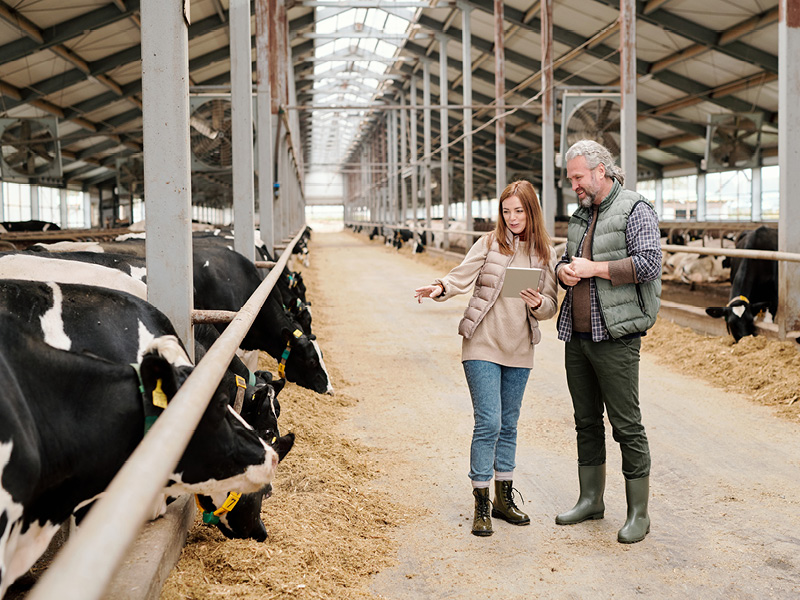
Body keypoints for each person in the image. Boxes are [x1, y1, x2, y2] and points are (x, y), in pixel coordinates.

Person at [414, 180, 558, 537]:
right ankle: (480, 502)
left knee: (509, 425)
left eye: (519, 211)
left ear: (532, 211)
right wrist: (439, 288)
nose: (512, 218)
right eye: (506, 211)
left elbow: (552, 304)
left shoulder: (545, 254)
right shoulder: (490, 243)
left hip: (520, 347)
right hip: (482, 343)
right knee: (489, 422)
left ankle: (503, 499)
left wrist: (539, 304)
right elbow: (460, 276)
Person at [554, 139, 662, 544]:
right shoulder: (580, 215)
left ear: (601, 170)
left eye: (578, 177)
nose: (574, 186)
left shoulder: (636, 209)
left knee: (626, 425)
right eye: (571, 179)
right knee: (585, 421)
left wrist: (594, 268)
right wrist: (564, 270)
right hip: (578, 335)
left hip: (616, 336)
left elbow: (650, 263)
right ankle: (590, 499)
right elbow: (570, 260)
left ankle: (639, 513)